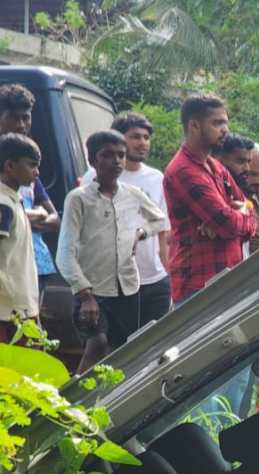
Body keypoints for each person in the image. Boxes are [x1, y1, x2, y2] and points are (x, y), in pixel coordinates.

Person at [59, 130, 169, 372]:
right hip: (92, 289)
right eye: (107, 155)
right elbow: (64, 254)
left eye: (120, 155)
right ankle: (71, 405)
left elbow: (160, 220)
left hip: (127, 288)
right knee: (96, 346)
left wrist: (140, 233)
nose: (116, 161)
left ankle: (111, 404)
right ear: (93, 160)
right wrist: (86, 296)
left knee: (120, 351)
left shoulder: (132, 194)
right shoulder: (78, 199)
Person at [163, 94, 257, 304]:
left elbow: (248, 208)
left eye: (225, 123)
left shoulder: (215, 166)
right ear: (194, 125)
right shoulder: (184, 171)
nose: (225, 130)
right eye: (217, 123)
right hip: (198, 287)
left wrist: (238, 214)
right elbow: (228, 225)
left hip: (227, 279)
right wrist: (233, 218)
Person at [82, 111, 173, 326]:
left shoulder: (156, 178)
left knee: (155, 345)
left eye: (146, 137)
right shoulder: (93, 177)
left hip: (154, 280)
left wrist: (168, 275)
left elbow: (164, 230)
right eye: (135, 137)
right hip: (113, 281)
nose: (142, 143)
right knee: (116, 348)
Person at [0, 84, 59, 290]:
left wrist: (26, 218)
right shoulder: (11, 165)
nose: (21, 125)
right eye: (14, 118)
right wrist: (27, 215)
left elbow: (54, 219)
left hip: (35, 266)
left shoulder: (26, 166)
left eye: (26, 117)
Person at [0, 133, 39, 342]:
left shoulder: (15, 199)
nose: (37, 172)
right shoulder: (3, 203)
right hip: (8, 311)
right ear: (10, 166)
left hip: (18, 306)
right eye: (31, 165)